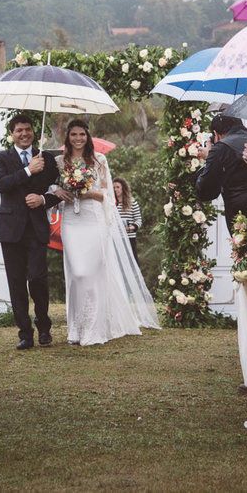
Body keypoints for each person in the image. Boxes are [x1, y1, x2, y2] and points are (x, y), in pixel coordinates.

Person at [54, 119, 160, 346]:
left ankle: (93, 328)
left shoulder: (99, 160)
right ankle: (76, 328)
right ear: (68, 137)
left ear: (87, 136)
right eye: (74, 134)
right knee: (77, 273)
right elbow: (51, 187)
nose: (78, 138)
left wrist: (86, 192)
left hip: (94, 220)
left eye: (82, 134)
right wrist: (58, 190)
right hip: (71, 220)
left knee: (92, 273)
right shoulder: (59, 161)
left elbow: (107, 195)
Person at [0, 114, 62, 350]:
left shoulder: (46, 159)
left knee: (38, 279)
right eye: (19, 130)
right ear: (12, 134)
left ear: (33, 132)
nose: (24, 134)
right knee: (16, 282)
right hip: (10, 230)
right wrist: (29, 170)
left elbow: (58, 191)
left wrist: (43, 199)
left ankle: (44, 328)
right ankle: (25, 333)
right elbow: (2, 184)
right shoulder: (0, 157)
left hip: (36, 228)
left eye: (28, 129)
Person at [196, 114, 247, 231]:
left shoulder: (220, 148)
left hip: (241, 213)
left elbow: (204, 191)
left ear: (216, 134)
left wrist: (210, 157)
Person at [112, 177, 142, 264]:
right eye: (113, 187)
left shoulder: (132, 202)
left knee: (133, 262)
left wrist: (131, 227)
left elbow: (138, 220)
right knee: (119, 263)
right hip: (117, 238)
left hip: (130, 237)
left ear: (123, 188)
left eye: (118, 187)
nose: (115, 189)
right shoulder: (111, 204)